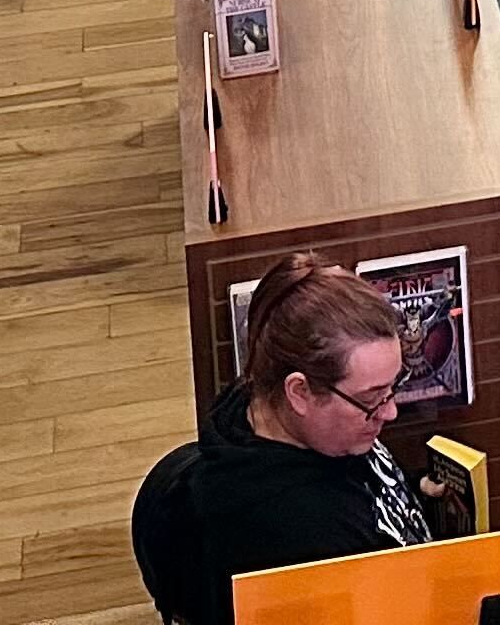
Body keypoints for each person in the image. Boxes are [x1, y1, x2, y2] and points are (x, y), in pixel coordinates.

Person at [129, 252, 431, 624]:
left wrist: (417, 490)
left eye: (392, 387)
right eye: (371, 399)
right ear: (299, 392)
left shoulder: (259, 410)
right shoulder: (291, 545)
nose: (390, 411)